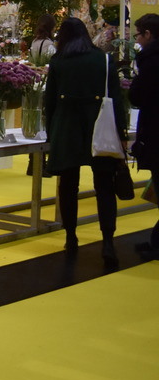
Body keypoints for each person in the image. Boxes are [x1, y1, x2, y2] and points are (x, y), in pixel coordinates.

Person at [44, 16, 127, 262]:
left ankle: (71, 237)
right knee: (104, 185)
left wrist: (51, 134)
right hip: (99, 125)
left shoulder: (58, 61)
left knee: (68, 185)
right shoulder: (103, 59)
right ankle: (108, 242)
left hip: (67, 126)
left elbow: (50, 102)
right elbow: (116, 99)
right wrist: (121, 132)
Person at [128, 12, 159, 261]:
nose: (137, 39)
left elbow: (138, 96)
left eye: (138, 34)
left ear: (148, 34)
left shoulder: (150, 61)